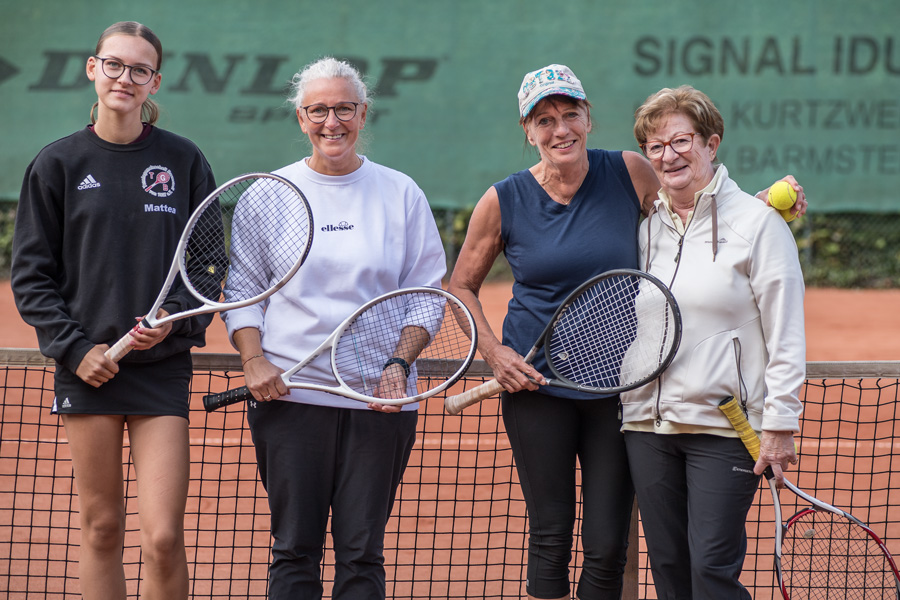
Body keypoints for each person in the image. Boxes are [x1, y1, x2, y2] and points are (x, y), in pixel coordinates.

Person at [447, 64, 806, 600]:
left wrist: (755, 211)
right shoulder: (504, 199)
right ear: (528, 130)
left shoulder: (630, 171)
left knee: (608, 542)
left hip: (616, 391)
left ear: (589, 118)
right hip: (535, 389)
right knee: (549, 534)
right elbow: (461, 285)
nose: (559, 128)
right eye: (544, 120)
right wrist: (496, 353)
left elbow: (690, 211)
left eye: (570, 114)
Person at [221, 57, 446, 599]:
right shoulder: (269, 194)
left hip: (379, 404)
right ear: (301, 118)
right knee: (294, 550)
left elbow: (427, 295)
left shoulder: (401, 193)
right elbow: (243, 294)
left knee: (361, 554)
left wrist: (399, 366)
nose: (332, 122)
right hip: (291, 400)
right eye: (318, 110)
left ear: (362, 113)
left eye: (344, 108)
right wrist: (254, 361)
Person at [11, 22, 218, 600]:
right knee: (101, 528)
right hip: (88, 372)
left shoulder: (183, 160)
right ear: (92, 68)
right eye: (115, 65)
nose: (125, 78)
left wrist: (174, 320)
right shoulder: (57, 164)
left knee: (162, 537)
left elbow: (206, 266)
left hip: (161, 372)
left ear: (156, 80)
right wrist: (77, 351)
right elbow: (32, 276)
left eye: (140, 69)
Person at [620, 85, 806, 599]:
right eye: (655, 146)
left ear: (711, 143)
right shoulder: (643, 228)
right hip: (646, 426)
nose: (668, 155)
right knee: (671, 573)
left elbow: (786, 331)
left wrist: (781, 421)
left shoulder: (759, 225)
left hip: (725, 429)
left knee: (711, 572)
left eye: (681, 141)